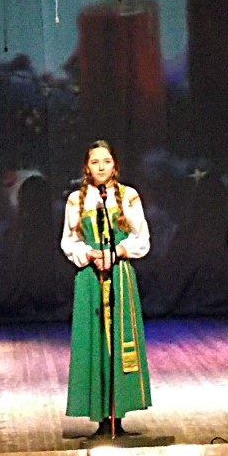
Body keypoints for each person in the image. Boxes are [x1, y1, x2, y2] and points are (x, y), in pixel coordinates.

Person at [60, 139, 152, 436]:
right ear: (87, 167)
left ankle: (118, 414)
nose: (101, 167)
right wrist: (89, 254)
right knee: (95, 340)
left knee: (119, 338)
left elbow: (142, 238)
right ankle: (100, 416)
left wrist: (117, 252)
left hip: (119, 273)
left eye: (107, 161)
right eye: (95, 162)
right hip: (90, 276)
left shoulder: (128, 196)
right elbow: (69, 242)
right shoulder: (76, 199)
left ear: (115, 165)